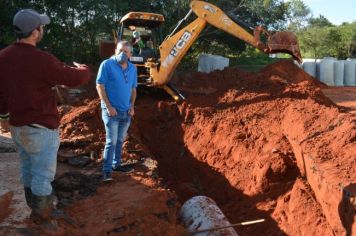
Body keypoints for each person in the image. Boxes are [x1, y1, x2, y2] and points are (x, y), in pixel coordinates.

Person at [0, 9, 90, 228]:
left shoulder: (3, 57)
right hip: (41, 128)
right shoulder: (41, 60)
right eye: (41, 27)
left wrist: (3, 116)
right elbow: (74, 78)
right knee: (43, 174)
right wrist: (85, 69)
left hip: (18, 127)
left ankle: (35, 209)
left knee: (28, 169)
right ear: (34, 32)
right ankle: (43, 215)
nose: (42, 30)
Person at [96, 41, 137, 182]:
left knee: (120, 140)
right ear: (115, 50)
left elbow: (133, 89)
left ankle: (116, 165)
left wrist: (132, 106)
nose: (122, 54)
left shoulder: (133, 68)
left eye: (126, 52)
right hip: (111, 112)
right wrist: (108, 106)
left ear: (131, 54)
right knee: (111, 141)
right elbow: (100, 86)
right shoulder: (107, 65)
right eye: (120, 50)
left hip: (126, 112)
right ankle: (107, 171)